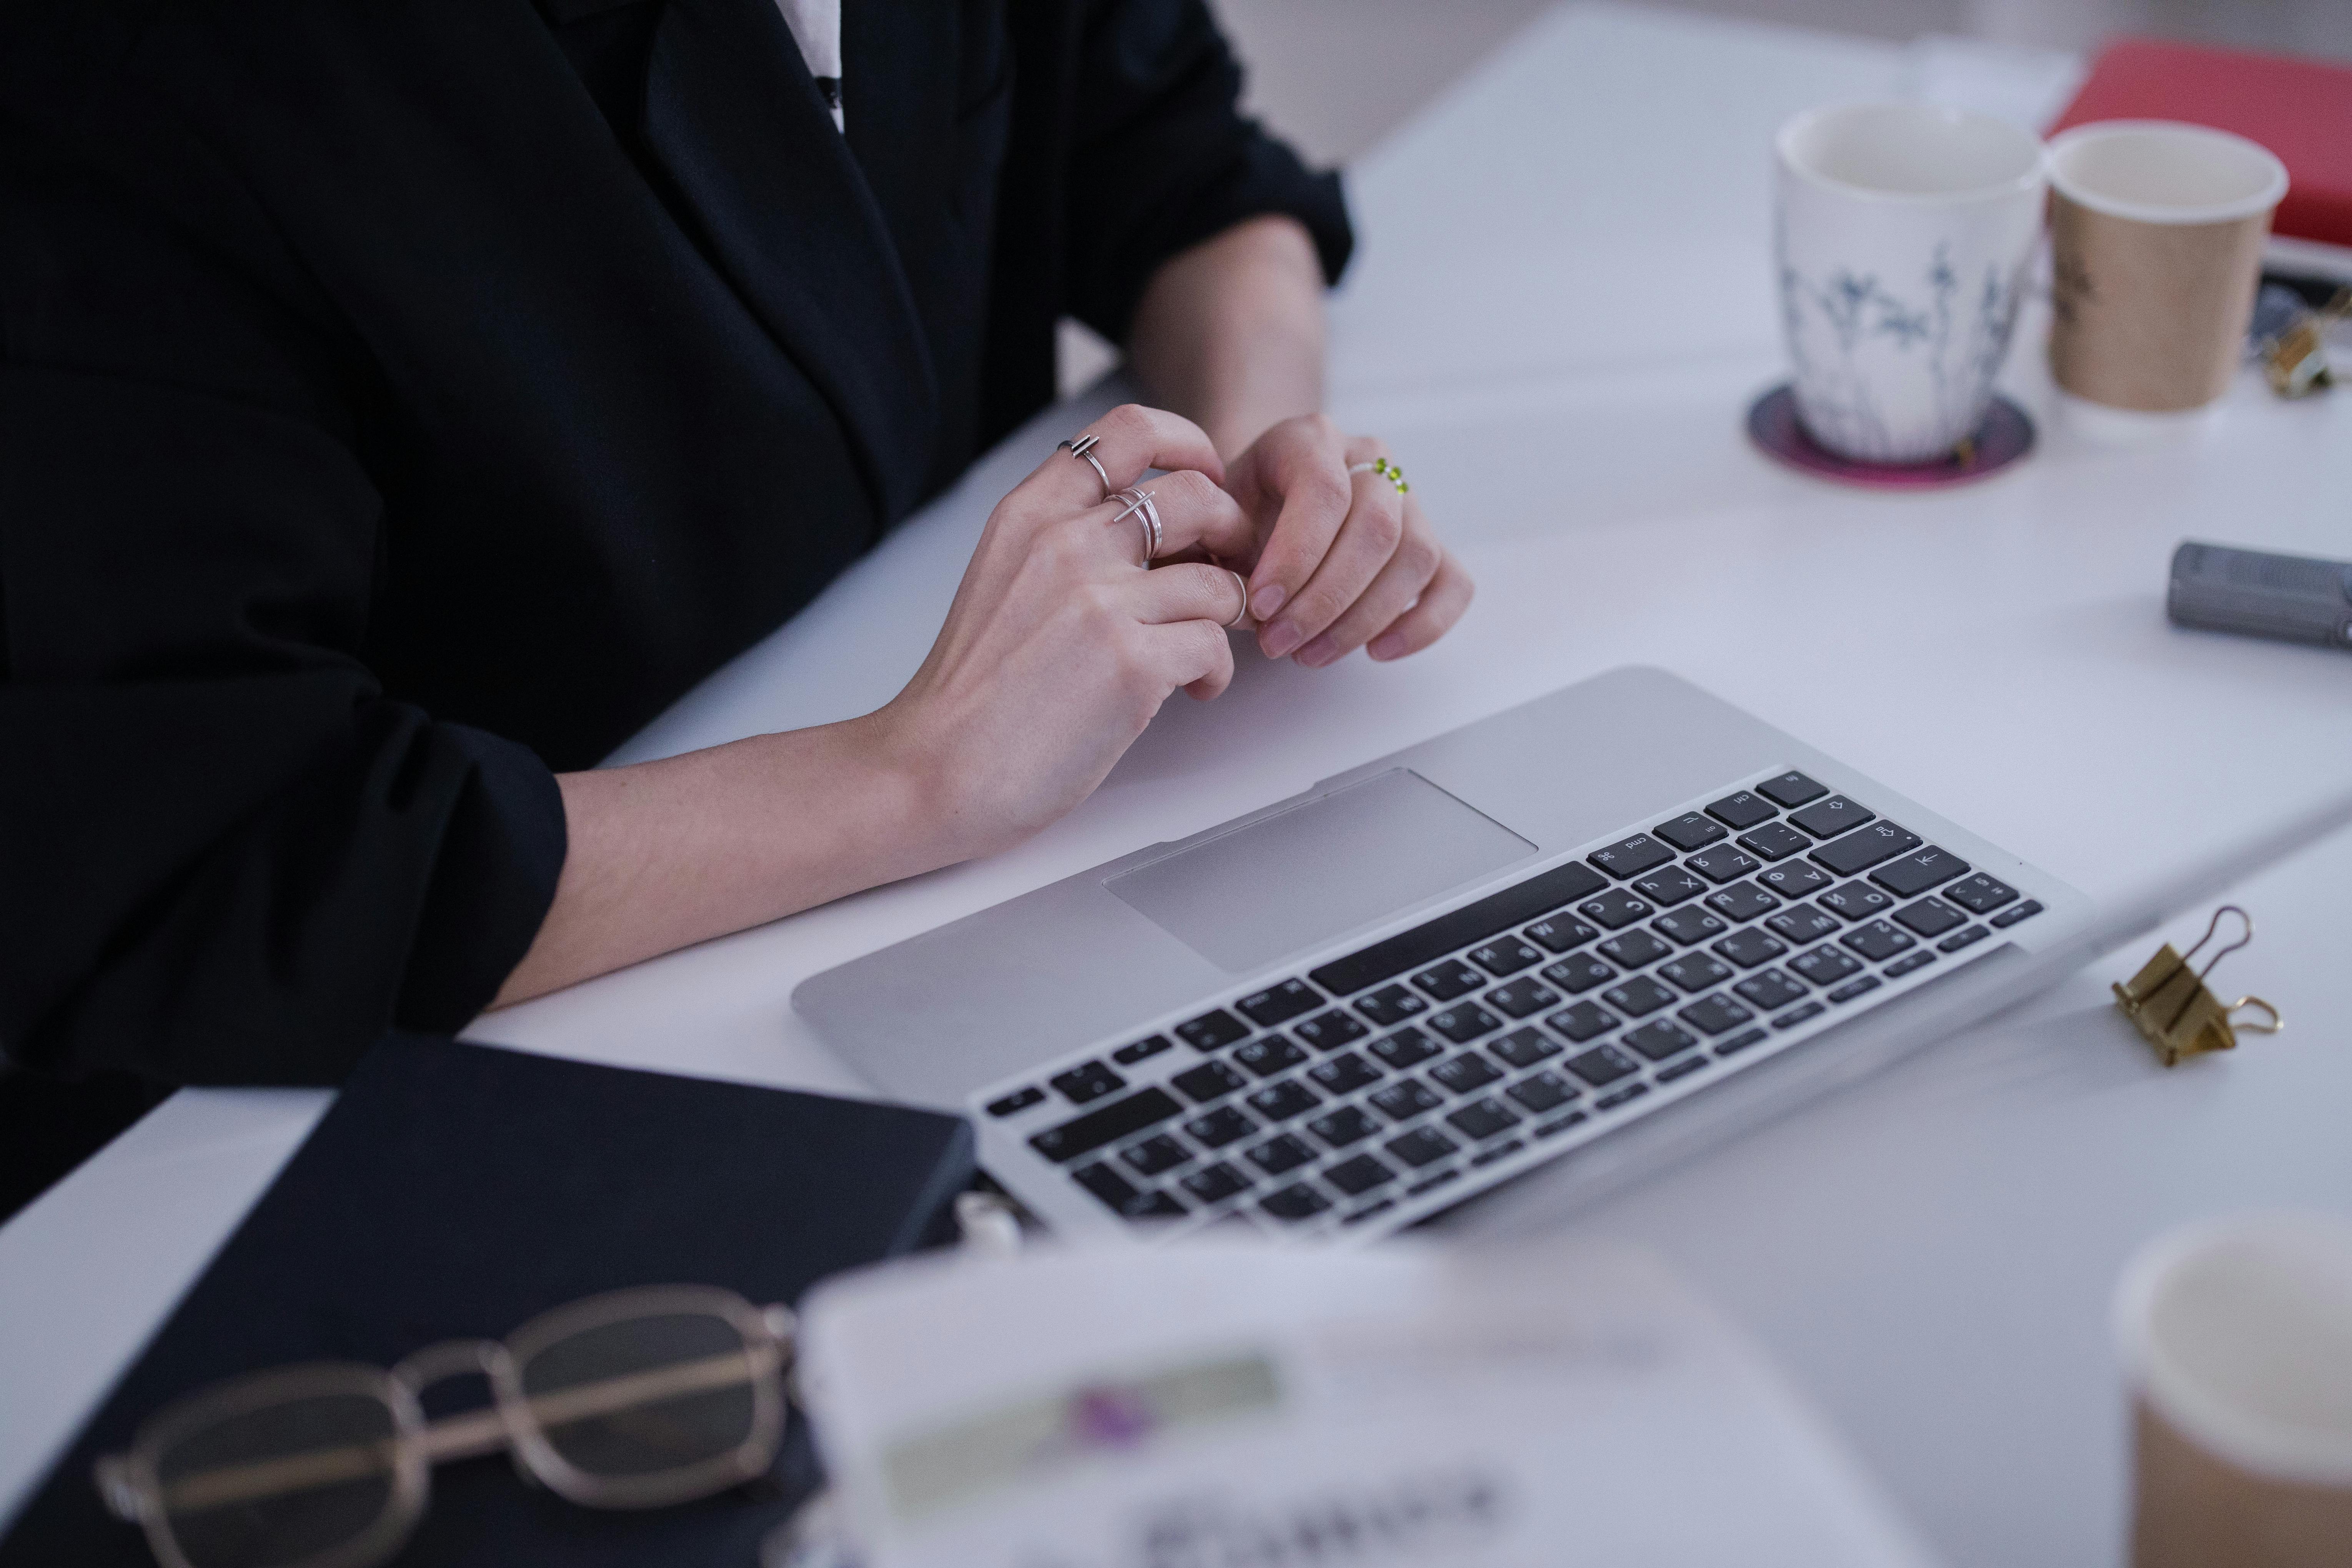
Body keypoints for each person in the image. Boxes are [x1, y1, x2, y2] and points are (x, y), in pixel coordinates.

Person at [0, 0, 1470, 1190]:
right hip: (336, 1134)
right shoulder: (130, 93)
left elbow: (1186, 169)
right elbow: (206, 862)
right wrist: (913, 775)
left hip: (959, 931)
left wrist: (1255, 473)